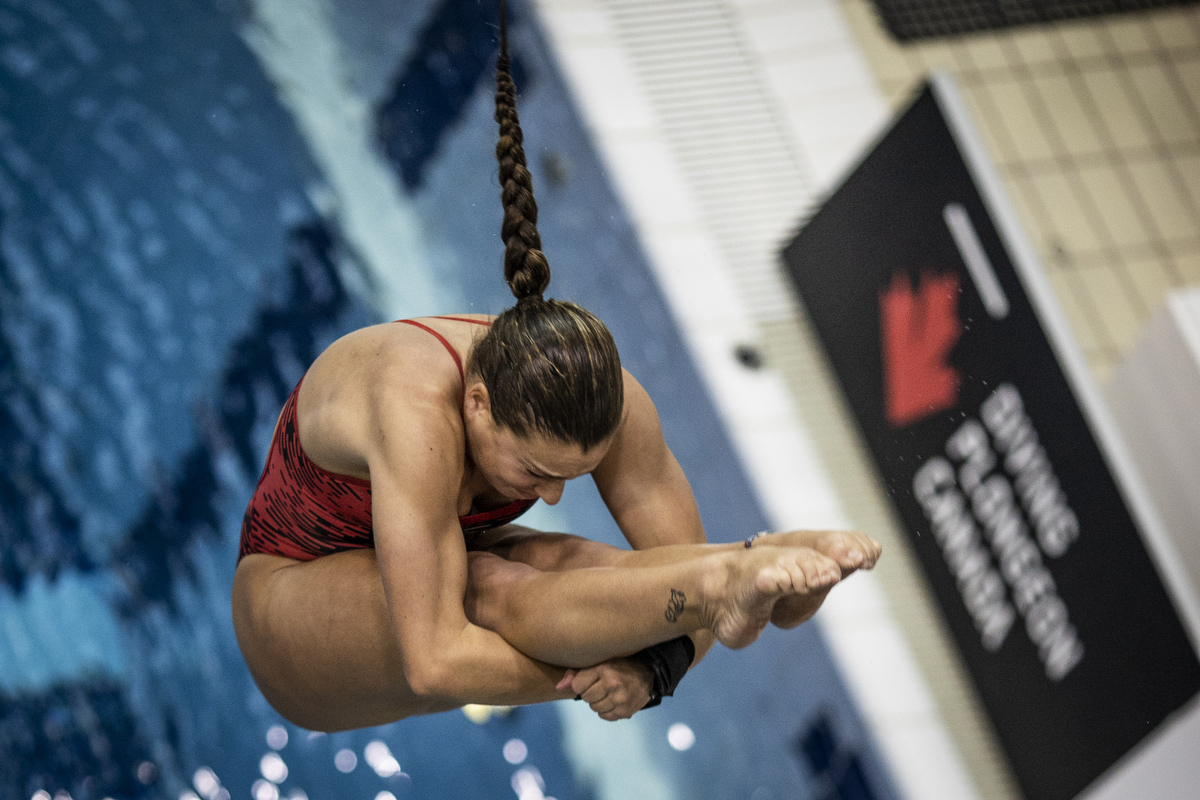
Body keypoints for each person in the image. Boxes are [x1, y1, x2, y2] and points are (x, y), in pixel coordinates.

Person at [230, 4, 880, 733]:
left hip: (440, 561)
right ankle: (740, 568)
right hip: (291, 607)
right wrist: (628, 675)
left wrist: (667, 651)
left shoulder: (609, 401)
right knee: (490, 588)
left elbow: (687, 590)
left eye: (570, 475)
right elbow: (435, 660)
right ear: (477, 402)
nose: (550, 494)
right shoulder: (411, 401)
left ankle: (757, 566)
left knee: (582, 563)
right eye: (537, 471)